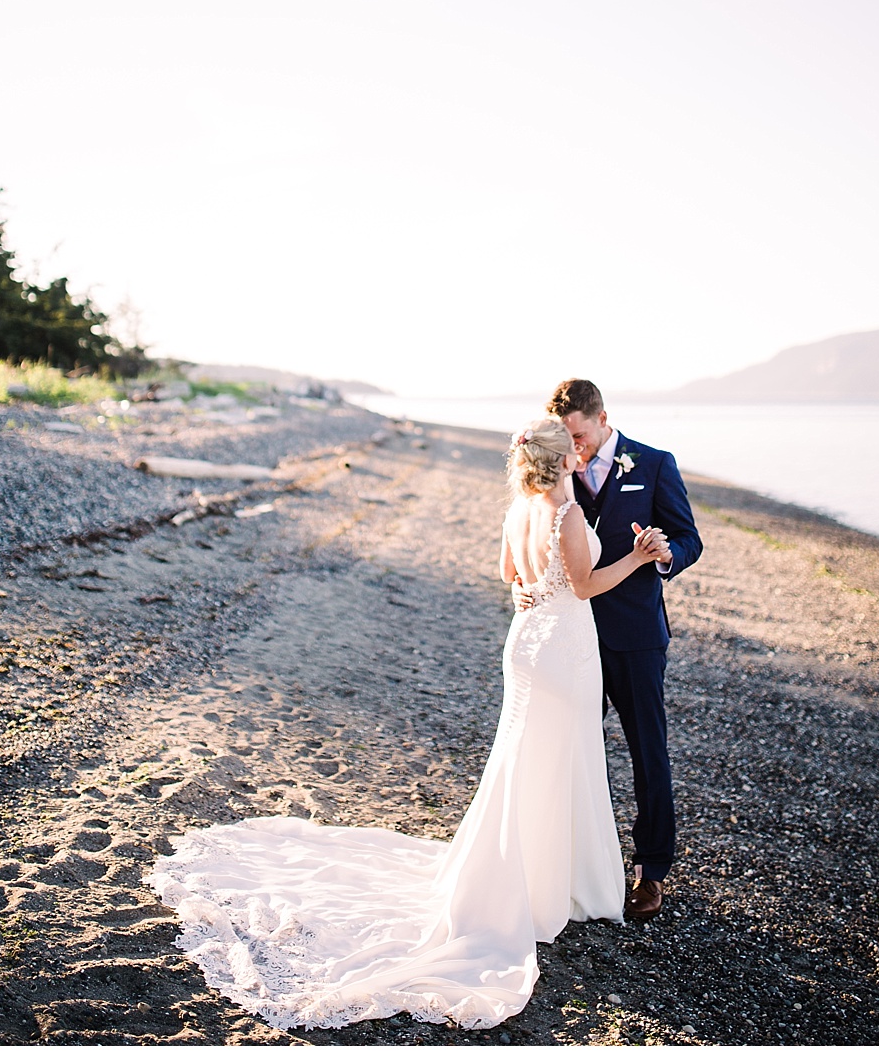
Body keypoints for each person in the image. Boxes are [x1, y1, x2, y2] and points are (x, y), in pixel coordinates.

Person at [147, 417, 669, 1031]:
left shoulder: (517, 510)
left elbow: (510, 575)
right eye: (574, 456)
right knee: (563, 759)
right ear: (563, 462)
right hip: (564, 649)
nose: (582, 461)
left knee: (524, 758)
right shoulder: (567, 515)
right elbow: (583, 585)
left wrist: (530, 593)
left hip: (527, 641)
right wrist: (635, 558)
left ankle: (533, 871)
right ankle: (558, 882)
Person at [515, 379, 703, 923]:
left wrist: (667, 553)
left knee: (648, 751)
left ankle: (651, 871)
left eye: (581, 436)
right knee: (569, 748)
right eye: (566, 439)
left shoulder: (654, 463)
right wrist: (519, 587)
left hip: (635, 637)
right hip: (569, 640)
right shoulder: (554, 479)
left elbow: (689, 537)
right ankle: (567, 864)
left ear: (602, 418)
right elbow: (536, 554)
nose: (575, 451)